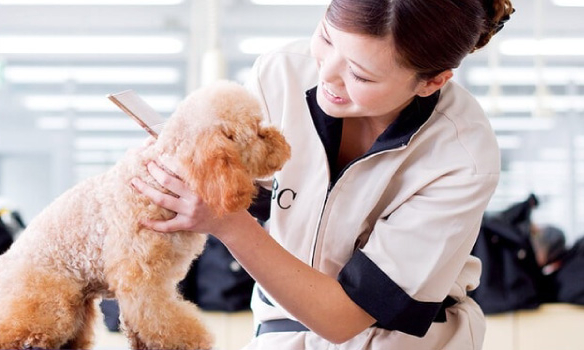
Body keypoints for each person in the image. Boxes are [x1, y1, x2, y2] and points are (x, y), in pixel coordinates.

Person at [130, 0, 514, 348]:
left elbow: (344, 317)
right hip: (281, 331)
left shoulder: (462, 155)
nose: (327, 75)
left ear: (432, 82)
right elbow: (254, 194)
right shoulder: (280, 72)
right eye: (327, 40)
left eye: (361, 76)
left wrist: (228, 224)